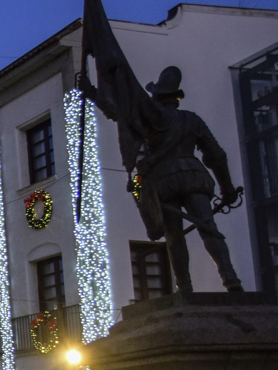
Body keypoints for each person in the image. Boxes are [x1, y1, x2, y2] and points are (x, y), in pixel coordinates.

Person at [78, 66, 243, 292]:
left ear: (157, 96)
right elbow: (216, 156)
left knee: (174, 235)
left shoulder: (151, 118)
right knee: (208, 228)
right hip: (194, 176)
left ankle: (184, 286)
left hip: (164, 181)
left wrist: (92, 93)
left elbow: (119, 113)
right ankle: (231, 279)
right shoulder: (192, 120)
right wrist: (227, 189)